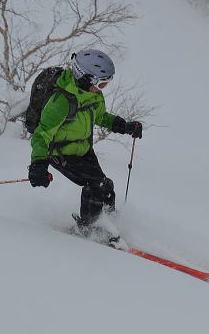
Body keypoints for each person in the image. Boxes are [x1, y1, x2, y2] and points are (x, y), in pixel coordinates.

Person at [27, 49, 142, 238]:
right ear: (85, 77)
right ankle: (89, 230)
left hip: (83, 150)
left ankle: (110, 223)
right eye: (101, 83)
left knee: (105, 186)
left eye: (106, 83)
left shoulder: (93, 94)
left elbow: (100, 116)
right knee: (94, 185)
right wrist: (38, 164)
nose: (103, 88)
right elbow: (41, 135)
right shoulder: (61, 101)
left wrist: (124, 126)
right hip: (60, 153)